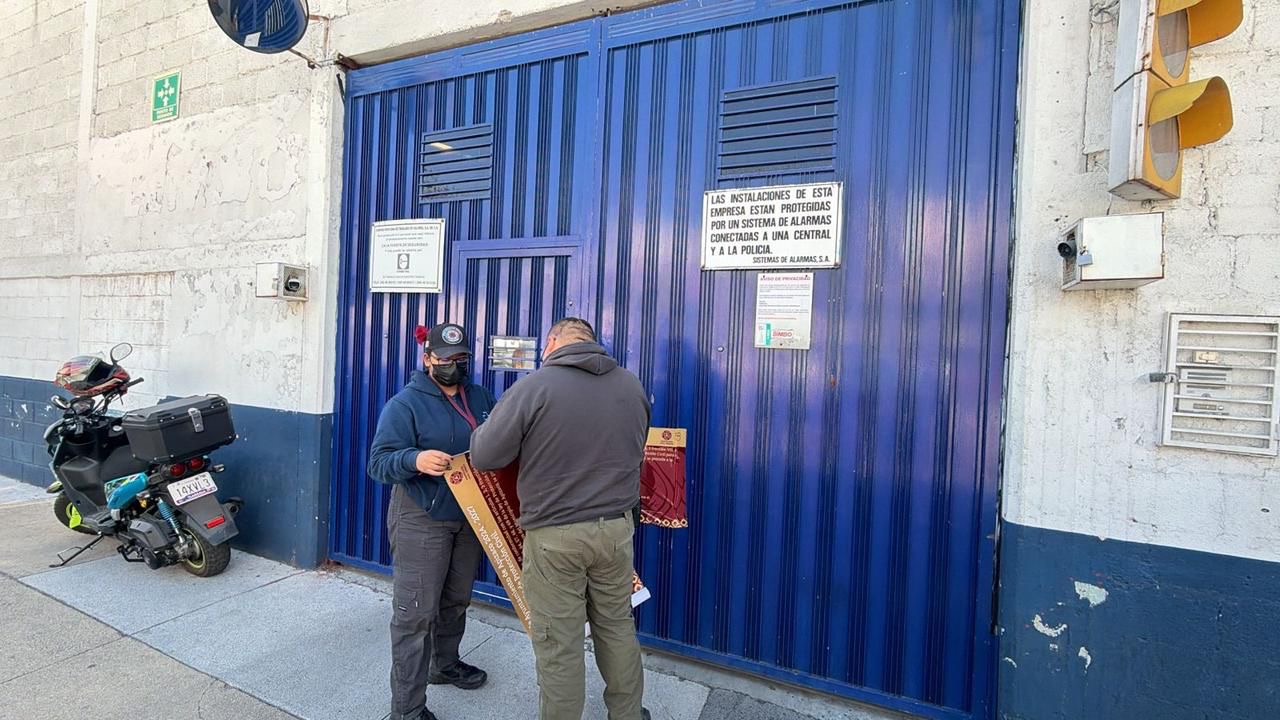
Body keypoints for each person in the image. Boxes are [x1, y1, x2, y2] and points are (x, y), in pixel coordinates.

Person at [469, 317, 652, 720]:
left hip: (557, 536)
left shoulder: (535, 386)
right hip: (616, 530)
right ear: (590, 342)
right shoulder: (630, 385)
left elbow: (484, 456)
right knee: (616, 626)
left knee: (560, 643)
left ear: (552, 342)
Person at [368, 323, 496, 720]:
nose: (454, 365)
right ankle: (406, 709)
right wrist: (415, 459)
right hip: (421, 516)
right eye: (446, 359)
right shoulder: (405, 404)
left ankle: (444, 664)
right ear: (428, 359)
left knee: (455, 599)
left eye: (462, 358)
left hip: (469, 515)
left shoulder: (480, 396)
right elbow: (378, 463)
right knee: (416, 613)